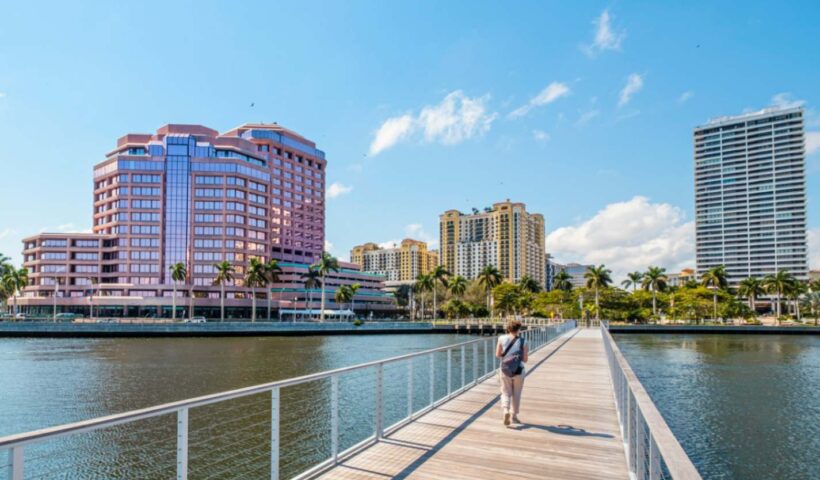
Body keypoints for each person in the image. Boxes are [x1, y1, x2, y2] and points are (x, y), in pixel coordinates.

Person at [496, 319, 528, 426]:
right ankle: (513, 416)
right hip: (519, 370)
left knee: (505, 392)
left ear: (508, 328)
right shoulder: (523, 341)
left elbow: (498, 354)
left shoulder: (501, 338)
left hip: (505, 370)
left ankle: (506, 410)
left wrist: (507, 356)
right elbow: (525, 359)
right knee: (516, 394)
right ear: (519, 329)